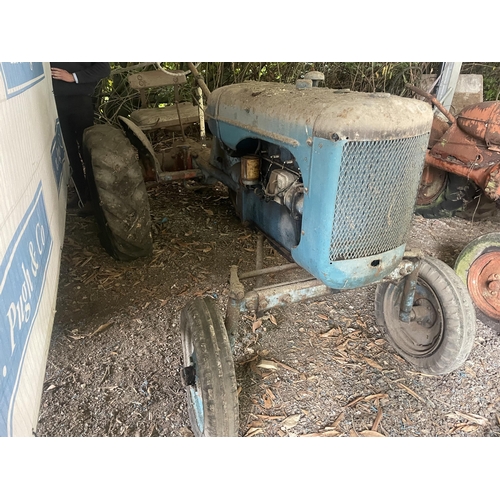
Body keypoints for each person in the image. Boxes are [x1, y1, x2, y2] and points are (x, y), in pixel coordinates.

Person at [50, 62, 111, 216]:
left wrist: (73, 77)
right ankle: (81, 194)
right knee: (69, 150)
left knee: (86, 149)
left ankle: (94, 197)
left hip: (79, 101)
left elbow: (103, 68)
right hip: (53, 102)